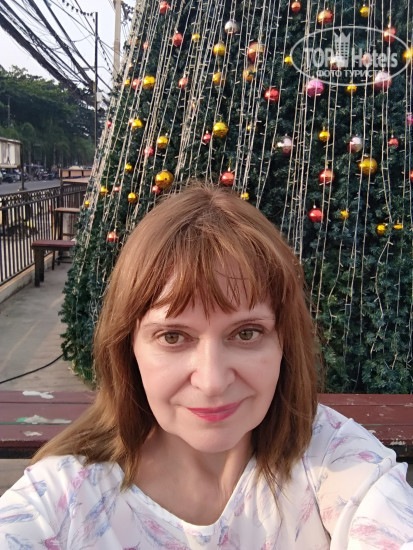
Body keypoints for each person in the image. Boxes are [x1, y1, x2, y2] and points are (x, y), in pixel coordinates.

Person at [0, 184, 412, 549]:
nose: (212, 382)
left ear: (284, 341)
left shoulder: (341, 463)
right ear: (128, 348)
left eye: (246, 333)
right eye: (173, 337)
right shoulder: (60, 503)